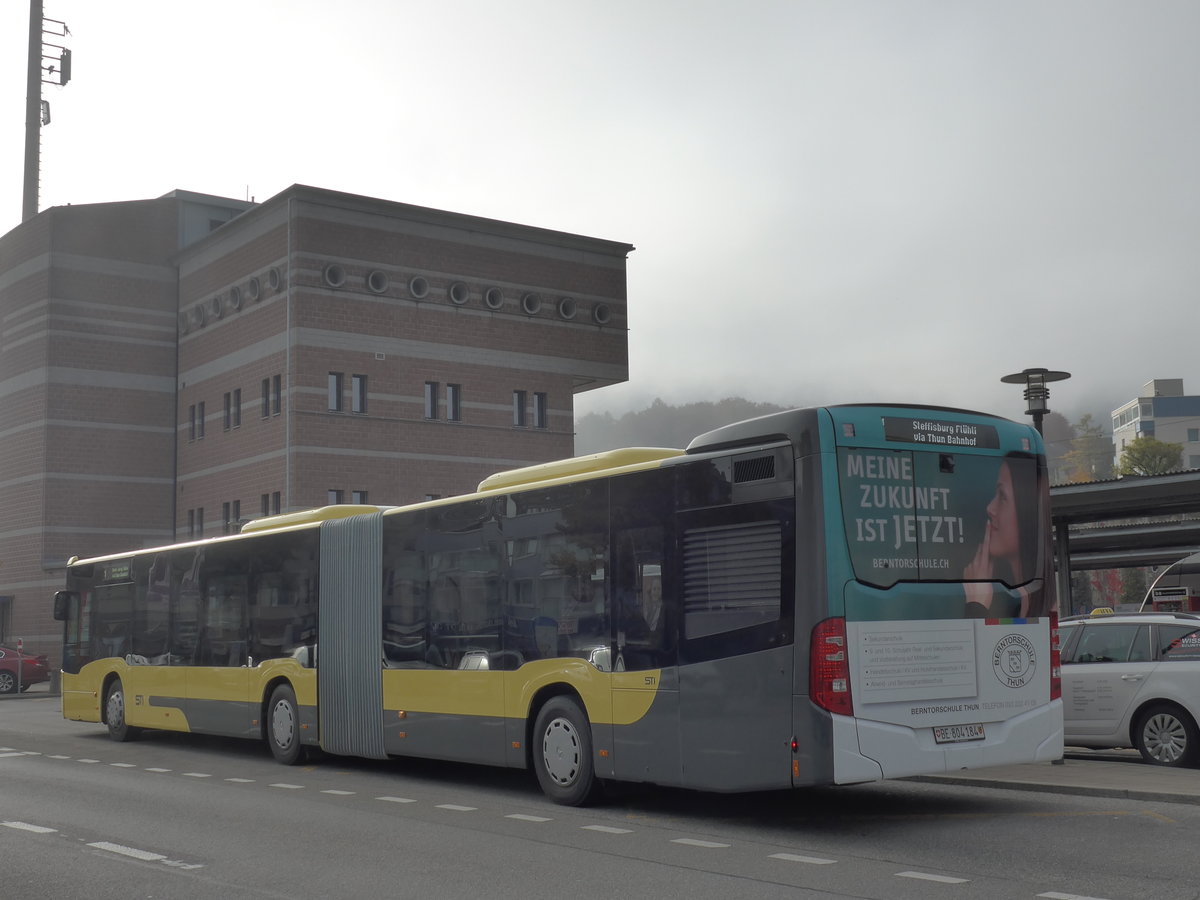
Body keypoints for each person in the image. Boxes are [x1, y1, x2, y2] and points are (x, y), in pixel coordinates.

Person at [964, 456, 1043, 617]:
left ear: (1026, 511)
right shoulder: (1018, 600)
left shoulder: (1030, 602)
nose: (990, 508)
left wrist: (976, 605)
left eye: (1003, 497)